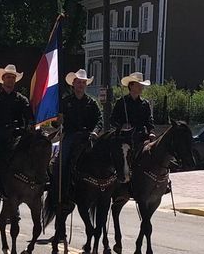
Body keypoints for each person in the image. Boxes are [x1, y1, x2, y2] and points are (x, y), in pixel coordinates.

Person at [0, 63, 34, 196]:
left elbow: (29, 117)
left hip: (17, 134)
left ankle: (37, 180)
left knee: (35, 152)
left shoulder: (21, 99)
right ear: (3, 79)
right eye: (8, 77)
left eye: (13, 77)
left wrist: (30, 128)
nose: (10, 79)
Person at [57, 69, 103, 201]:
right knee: (62, 160)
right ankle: (61, 187)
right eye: (78, 82)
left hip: (88, 136)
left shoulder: (92, 103)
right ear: (73, 84)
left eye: (83, 82)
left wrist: (95, 131)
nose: (81, 85)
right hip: (71, 136)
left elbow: (99, 120)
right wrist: (58, 122)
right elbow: (57, 122)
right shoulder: (65, 102)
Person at [111, 71, 154, 181]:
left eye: (141, 85)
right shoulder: (121, 102)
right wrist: (122, 126)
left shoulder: (145, 103)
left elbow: (149, 120)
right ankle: (120, 177)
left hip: (141, 137)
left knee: (154, 153)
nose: (141, 87)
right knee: (120, 154)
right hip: (125, 137)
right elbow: (113, 120)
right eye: (139, 85)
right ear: (131, 86)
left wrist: (151, 132)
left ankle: (160, 179)